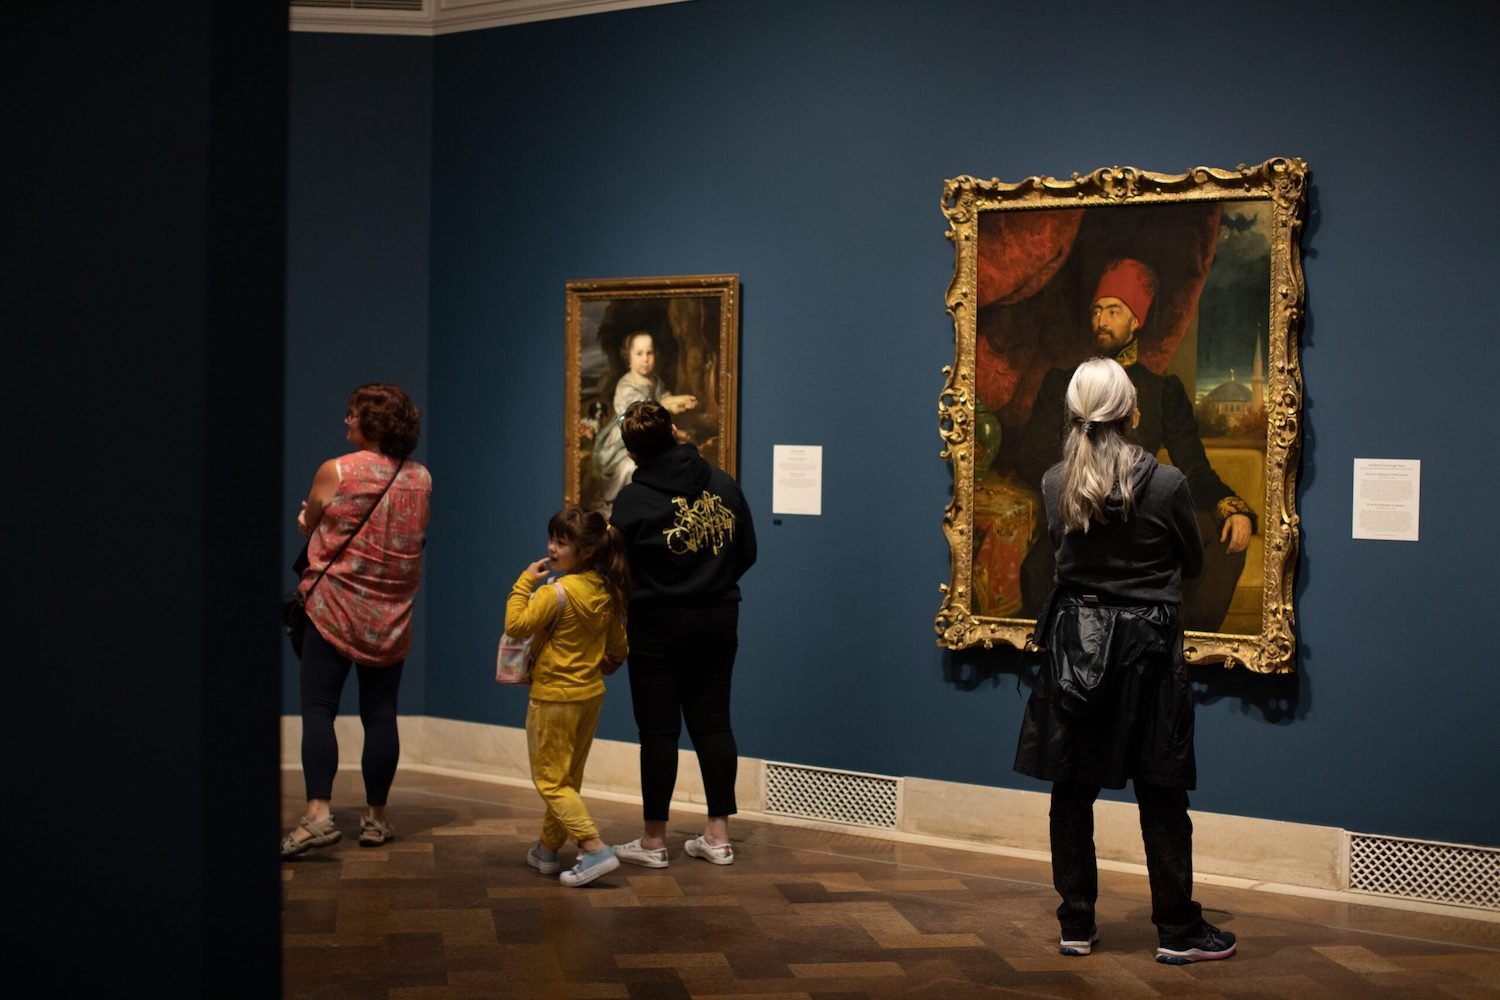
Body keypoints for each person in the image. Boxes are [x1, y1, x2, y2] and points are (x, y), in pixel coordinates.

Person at [1013, 358, 1236, 964]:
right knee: (1160, 794)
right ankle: (1176, 930)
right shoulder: (1165, 484)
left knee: (1072, 791)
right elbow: (1192, 563)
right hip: (1149, 653)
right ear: (1133, 412)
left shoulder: (1057, 481)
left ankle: (1076, 923)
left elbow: (1065, 556)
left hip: (1077, 651)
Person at [1015, 258, 1255, 631]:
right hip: (1079, 516)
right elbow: (1032, 455)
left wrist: (1231, 507)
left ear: (1135, 321)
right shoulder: (1062, 382)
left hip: (1140, 520)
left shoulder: (1162, 391)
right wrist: (1086, 488)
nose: (1101, 320)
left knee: (1223, 535)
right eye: (1096, 311)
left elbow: (1195, 469)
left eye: (1113, 311)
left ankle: (1182, 640)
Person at [281, 383, 432, 858]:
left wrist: (308, 521)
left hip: (332, 609)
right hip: (391, 614)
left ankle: (318, 815)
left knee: (319, 709)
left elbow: (312, 520)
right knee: (381, 714)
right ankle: (375, 819)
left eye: (353, 415)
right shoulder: (421, 477)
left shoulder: (337, 470)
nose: (346, 421)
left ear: (372, 424)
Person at [608, 400, 756, 869]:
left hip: (656, 625)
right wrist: (708, 582)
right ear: (675, 430)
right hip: (717, 619)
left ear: (633, 455)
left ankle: (654, 842)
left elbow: (617, 570)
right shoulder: (724, 484)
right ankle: (718, 836)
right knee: (714, 724)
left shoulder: (633, 500)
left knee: (658, 733)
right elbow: (748, 552)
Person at [505, 507, 630, 887]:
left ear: (586, 550)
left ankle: (594, 848)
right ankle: (547, 847)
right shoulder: (606, 591)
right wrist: (609, 661)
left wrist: (524, 583)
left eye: (562, 543)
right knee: (567, 778)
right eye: (552, 540)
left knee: (550, 780)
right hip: (589, 695)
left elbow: (515, 625)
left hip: (553, 697)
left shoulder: (553, 593)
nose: (551, 548)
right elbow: (619, 646)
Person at [591, 331, 699, 512]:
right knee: (627, 468)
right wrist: (666, 405)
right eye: (639, 354)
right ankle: (615, 503)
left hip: (650, 433)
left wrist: (677, 401)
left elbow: (662, 397)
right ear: (628, 357)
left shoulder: (654, 380)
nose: (645, 359)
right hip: (627, 434)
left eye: (649, 353)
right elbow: (636, 412)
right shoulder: (626, 384)